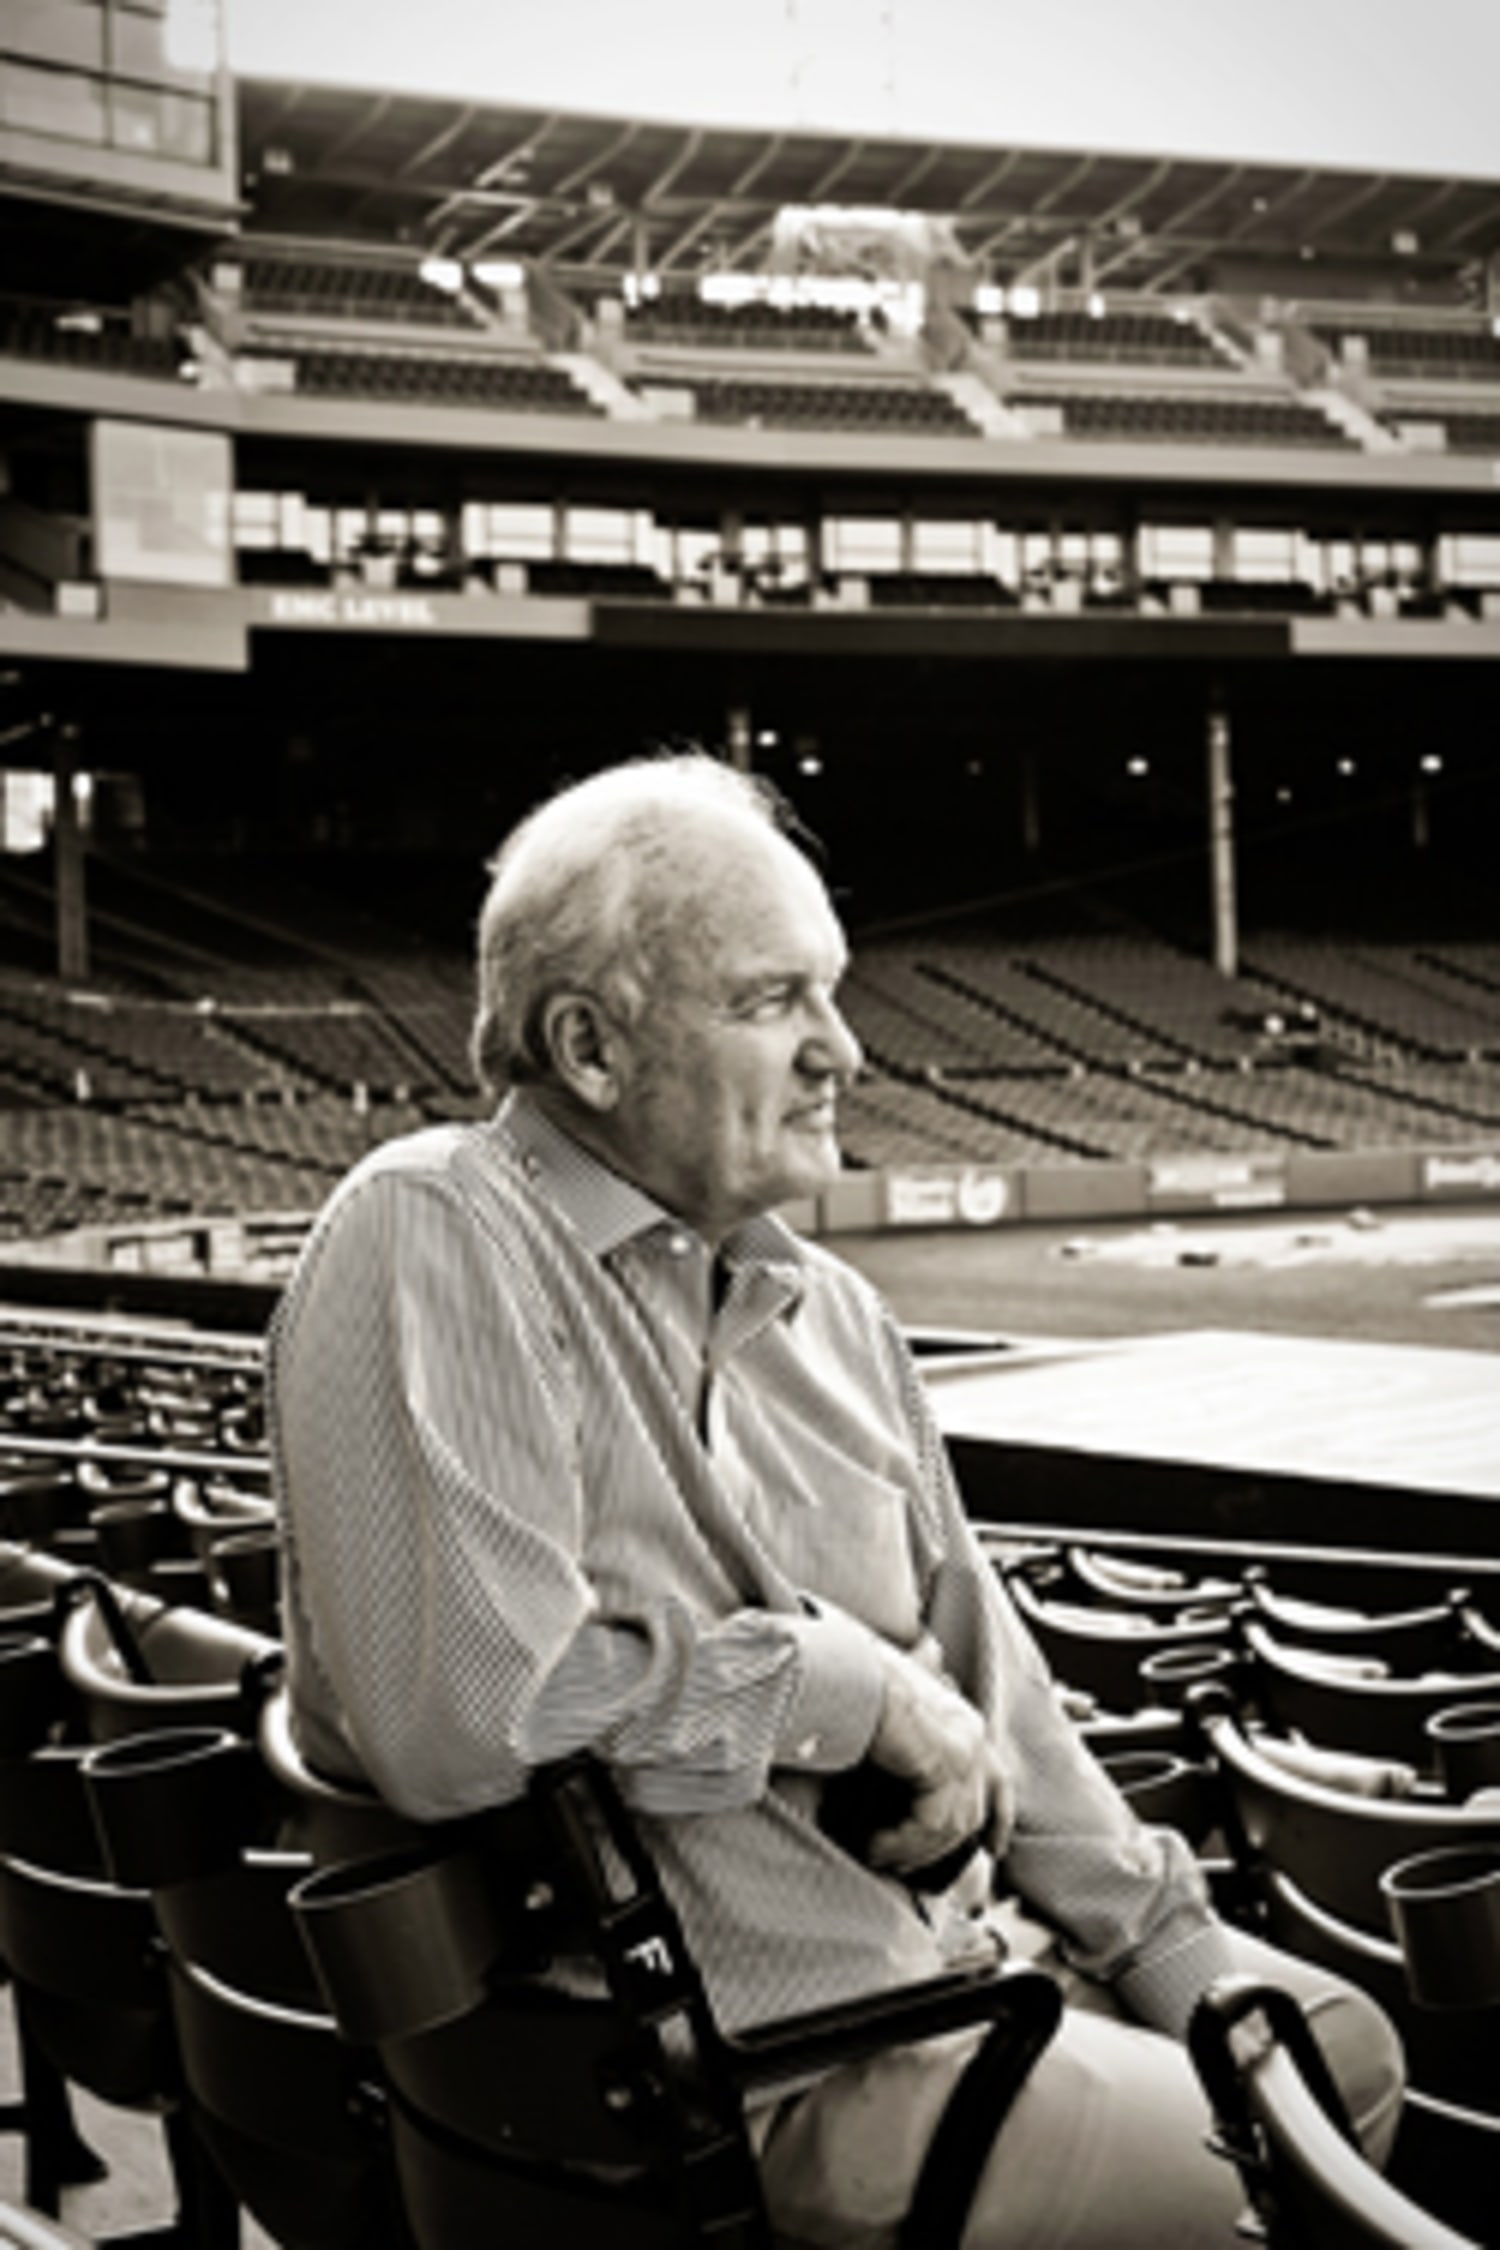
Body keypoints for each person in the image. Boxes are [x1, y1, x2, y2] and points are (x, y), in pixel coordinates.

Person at [268, 753, 1402, 2248]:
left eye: (836, 990)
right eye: (772, 998)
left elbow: (999, 1688)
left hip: (948, 1975)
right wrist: (841, 1683)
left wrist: (1166, 1942)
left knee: (1338, 2045)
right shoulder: (438, 1224)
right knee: (1261, 2177)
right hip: (727, 2078)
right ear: (591, 1046)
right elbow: (460, 1720)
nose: (843, 1051)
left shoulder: (840, 1314)